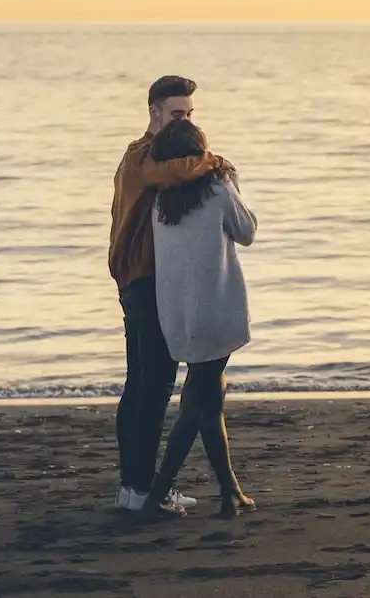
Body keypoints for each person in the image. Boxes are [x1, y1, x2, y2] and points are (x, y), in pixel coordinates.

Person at [109, 75, 232, 516]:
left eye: (190, 114)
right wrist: (213, 160)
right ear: (154, 113)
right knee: (155, 387)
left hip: (132, 280)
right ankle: (144, 490)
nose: (184, 120)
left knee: (139, 384)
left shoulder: (140, 155)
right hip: (143, 281)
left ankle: (132, 488)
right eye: (178, 113)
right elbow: (178, 170)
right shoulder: (146, 156)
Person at [141, 118, 257, 520]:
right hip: (215, 311)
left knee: (210, 398)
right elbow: (247, 231)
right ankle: (158, 491)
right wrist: (232, 179)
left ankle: (230, 492)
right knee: (198, 401)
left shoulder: (160, 201)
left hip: (177, 315)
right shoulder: (217, 187)